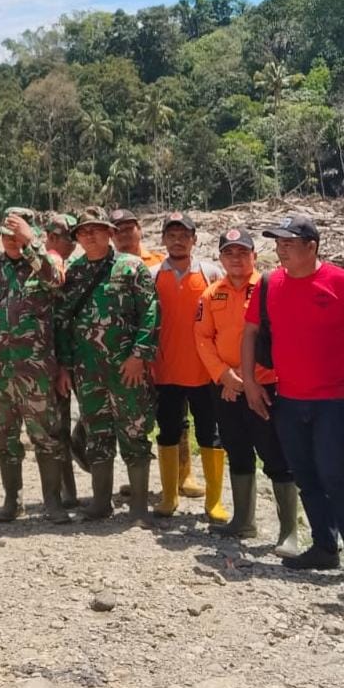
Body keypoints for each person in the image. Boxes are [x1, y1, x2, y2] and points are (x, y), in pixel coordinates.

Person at [242, 214, 344, 583]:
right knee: (305, 475)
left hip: (334, 399)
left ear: (312, 246)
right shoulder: (269, 284)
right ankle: (324, 547)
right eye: (278, 244)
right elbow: (250, 332)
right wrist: (251, 382)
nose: (281, 250)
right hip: (287, 396)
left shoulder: (342, 282)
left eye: (289, 243)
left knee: (337, 475)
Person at [192, 229, 301, 554]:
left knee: (275, 454)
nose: (236, 258)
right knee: (236, 449)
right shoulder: (212, 295)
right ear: (221, 258)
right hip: (225, 388)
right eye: (229, 253)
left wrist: (248, 378)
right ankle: (243, 520)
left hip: (266, 385)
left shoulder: (272, 288)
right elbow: (202, 338)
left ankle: (289, 532)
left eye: (242, 252)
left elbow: (285, 337)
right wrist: (224, 376)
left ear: (254, 255)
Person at [55, 207, 158, 521]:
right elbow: (62, 322)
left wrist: (139, 356)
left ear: (110, 233)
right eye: (83, 231)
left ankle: (139, 506)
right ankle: (101, 502)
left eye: (96, 229)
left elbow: (151, 314)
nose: (89, 235)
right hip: (87, 371)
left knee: (134, 433)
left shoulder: (131, 267)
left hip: (127, 369)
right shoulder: (73, 272)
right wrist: (65, 366)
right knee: (97, 433)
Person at [0, 207, 68, 523]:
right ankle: (13, 500)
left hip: (37, 374)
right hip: (0, 375)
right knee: (2, 438)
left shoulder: (43, 267)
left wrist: (31, 244)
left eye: (18, 234)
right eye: (7, 234)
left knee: (47, 439)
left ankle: (52, 502)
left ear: (31, 235)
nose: (11, 240)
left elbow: (57, 281)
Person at [151, 212, 223, 518]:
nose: (178, 240)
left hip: (204, 372)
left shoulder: (210, 272)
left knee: (210, 434)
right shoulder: (153, 274)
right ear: (164, 239)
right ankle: (169, 496)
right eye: (172, 234)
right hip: (165, 370)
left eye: (184, 235)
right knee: (167, 432)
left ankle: (214, 502)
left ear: (194, 239)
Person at [110, 207, 177, 495]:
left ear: (140, 229)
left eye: (129, 227)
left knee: (173, 420)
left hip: (165, 356)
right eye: (118, 229)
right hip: (126, 361)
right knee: (132, 423)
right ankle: (139, 483)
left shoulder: (160, 263)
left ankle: (177, 481)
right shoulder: (106, 266)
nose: (124, 233)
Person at [42, 211, 80, 508]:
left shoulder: (68, 266)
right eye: (71, 239)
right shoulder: (46, 265)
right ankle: (65, 492)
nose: (75, 244)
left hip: (69, 358)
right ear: (53, 238)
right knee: (56, 429)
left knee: (65, 426)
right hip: (47, 362)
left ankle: (69, 491)